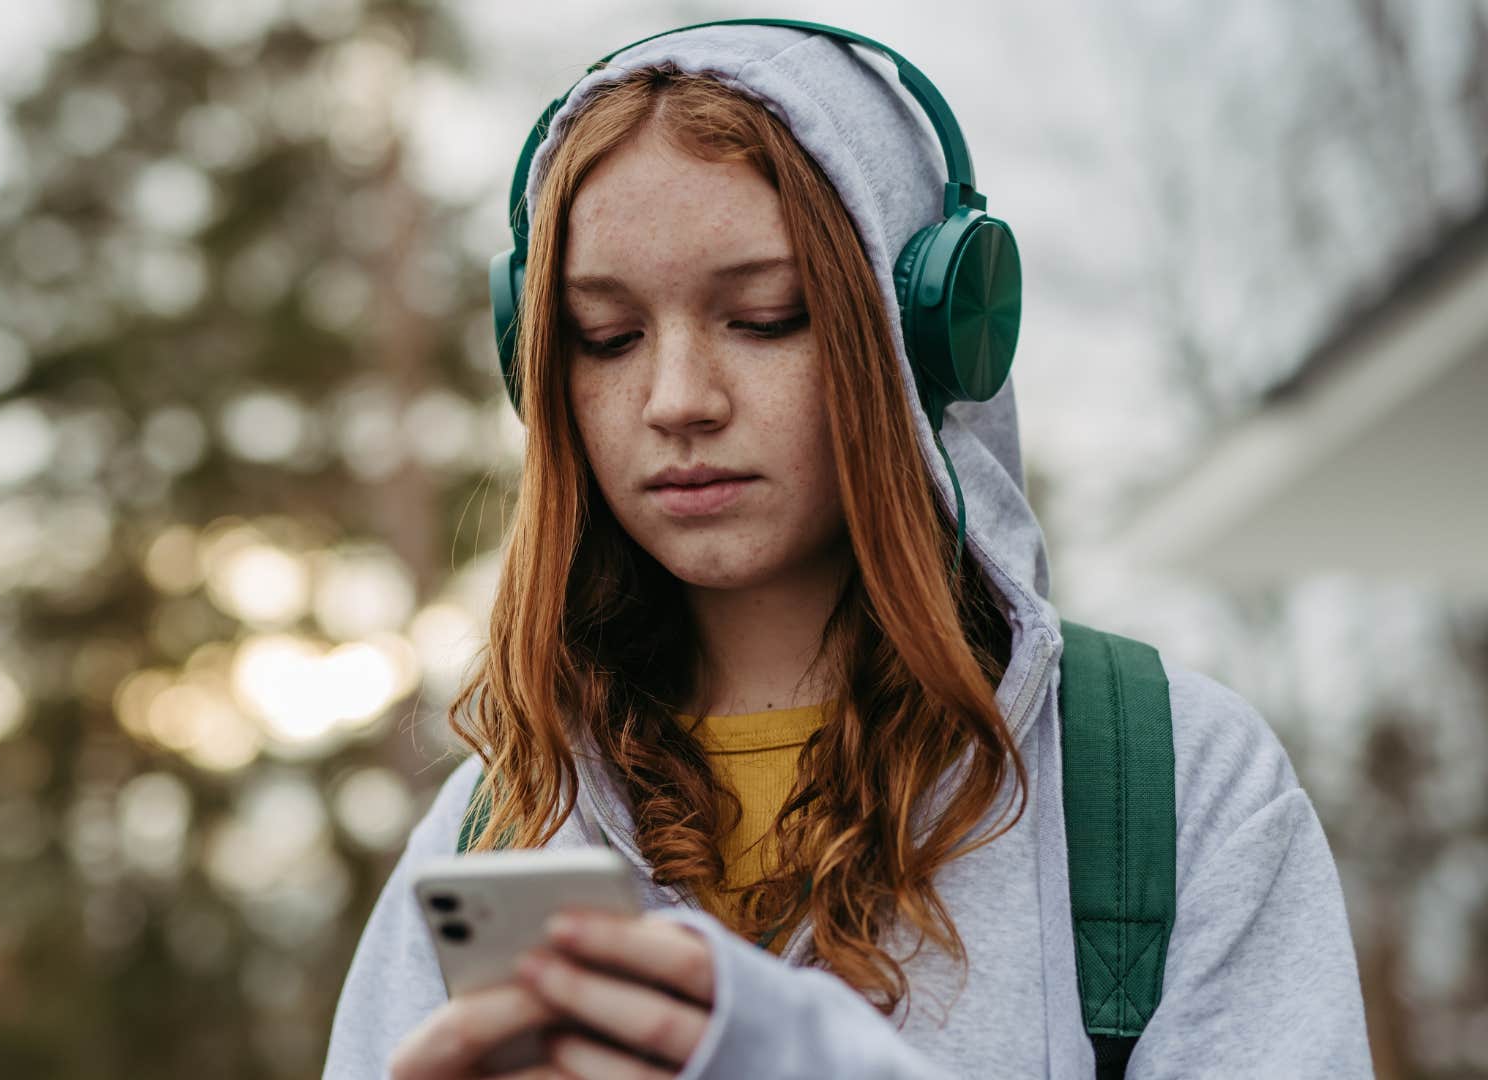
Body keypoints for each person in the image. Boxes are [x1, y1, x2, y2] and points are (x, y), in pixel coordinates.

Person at [323, 20, 1372, 1079]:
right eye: (609, 336)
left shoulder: (1168, 790)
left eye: (766, 317)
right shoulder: (492, 837)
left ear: (928, 333)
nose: (678, 400)